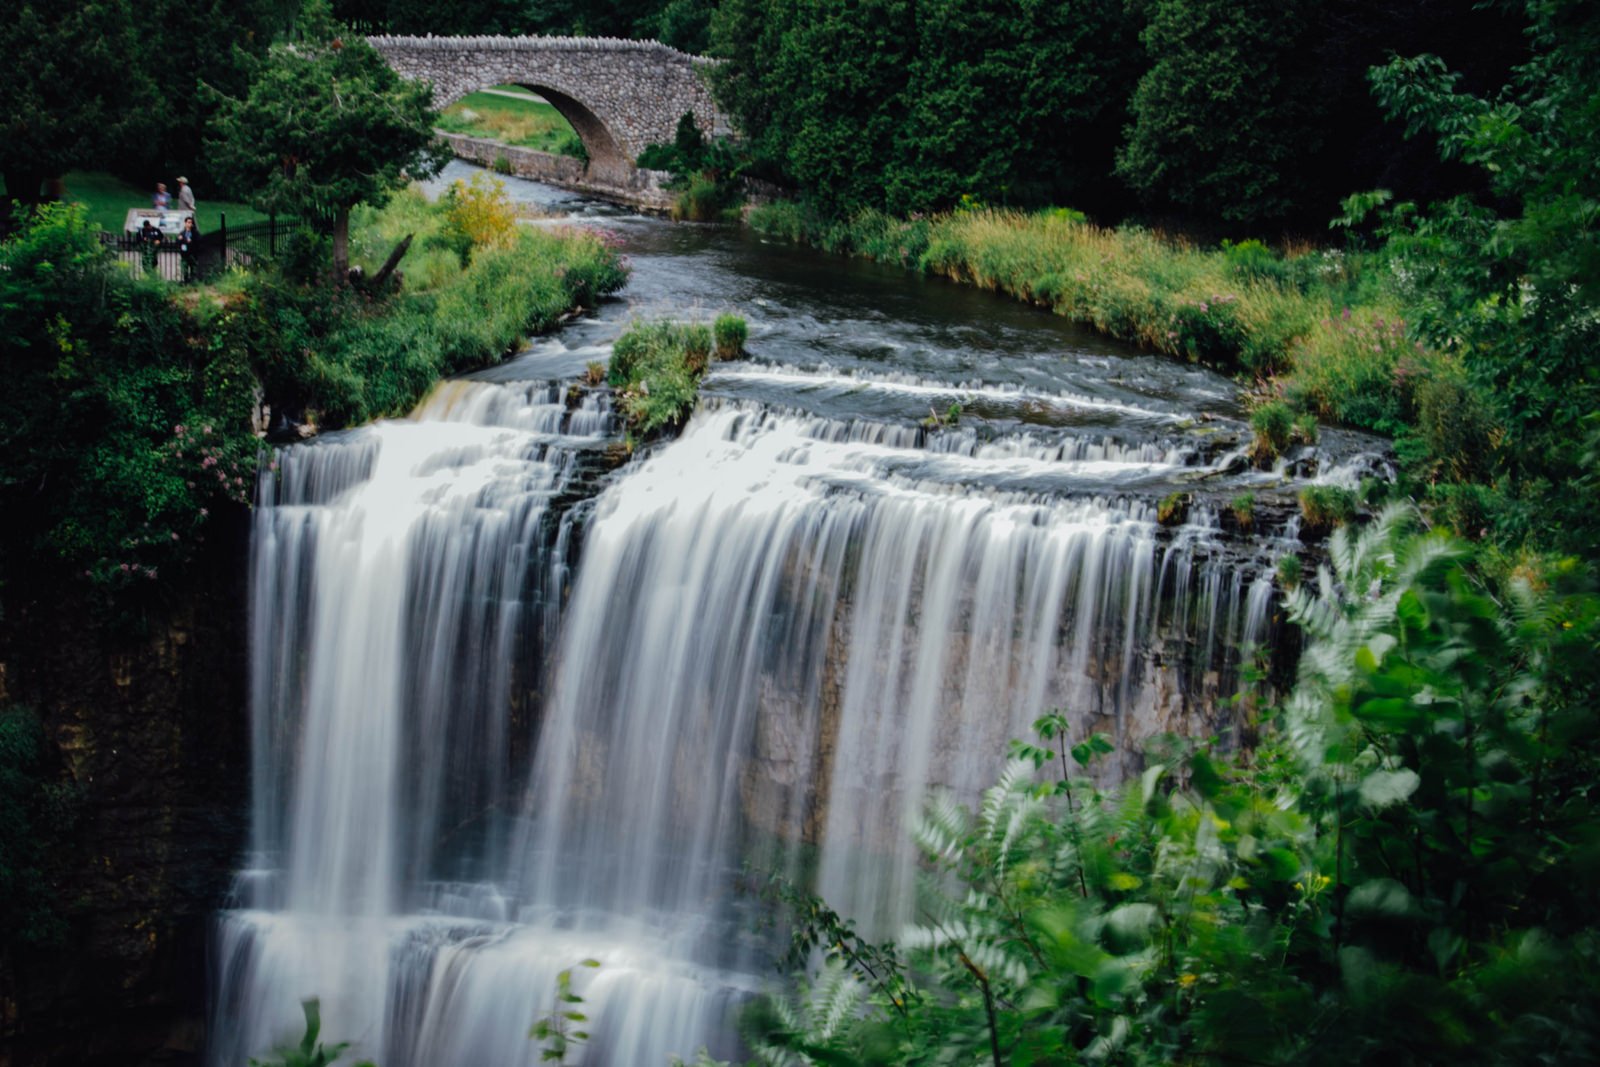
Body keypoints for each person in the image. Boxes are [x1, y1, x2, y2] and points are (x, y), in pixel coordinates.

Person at [177, 216, 200, 282]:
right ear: (185, 223)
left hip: (192, 253)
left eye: (190, 222)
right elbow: (178, 241)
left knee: (193, 269)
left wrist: (191, 241)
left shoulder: (195, 233)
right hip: (184, 254)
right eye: (188, 222)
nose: (189, 224)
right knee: (185, 269)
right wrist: (180, 239)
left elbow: (198, 241)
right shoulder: (182, 233)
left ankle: (193, 282)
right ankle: (186, 281)